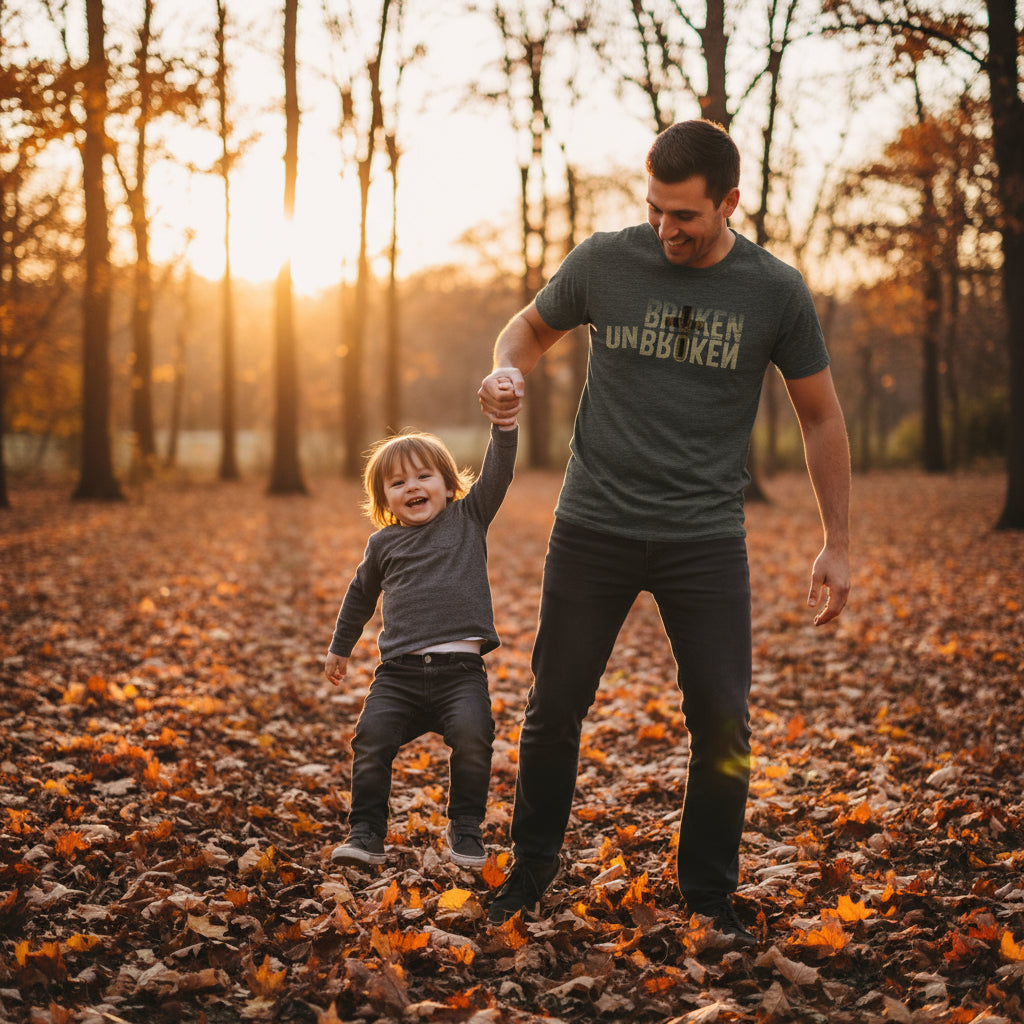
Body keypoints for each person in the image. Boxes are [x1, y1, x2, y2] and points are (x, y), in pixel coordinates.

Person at [477, 119, 850, 946]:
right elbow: (527, 330)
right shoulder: (606, 260)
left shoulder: (774, 290)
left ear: (730, 202)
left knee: (723, 718)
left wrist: (839, 540)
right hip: (593, 525)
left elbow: (820, 416)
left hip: (704, 538)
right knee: (553, 707)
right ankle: (530, 867)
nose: (665, 228)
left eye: (684, 215)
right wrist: (508, 372)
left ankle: (709, 896)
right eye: (654, 209)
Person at [324, 408, 518, 869]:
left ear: (449, 486)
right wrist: (340, 645)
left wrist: (504, 427)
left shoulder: (469, 518)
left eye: (423, 476)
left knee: (474, 737)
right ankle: (366, 831)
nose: (412, 487)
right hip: (399, 675)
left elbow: (499, 473)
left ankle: (465, 828)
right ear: (385, 500)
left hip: (460, 674)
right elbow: (359, 597)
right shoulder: (383, 545)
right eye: (397, 483)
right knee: (371, 739)